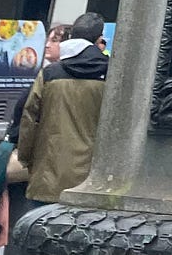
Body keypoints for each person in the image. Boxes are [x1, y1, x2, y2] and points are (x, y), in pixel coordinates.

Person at [15, 11, 108, 206]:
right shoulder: (112, 74)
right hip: (92, 180)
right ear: (99, 39)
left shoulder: (50, 74)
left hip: (48, 173)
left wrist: (26, 158)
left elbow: (29, 118)